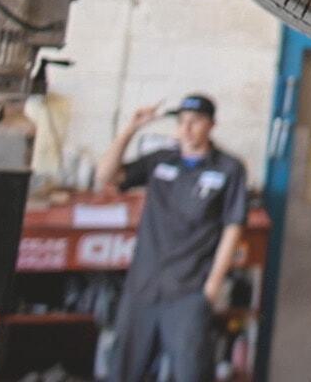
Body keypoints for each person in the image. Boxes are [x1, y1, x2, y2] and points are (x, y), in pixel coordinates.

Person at [95, 93, 247, 382]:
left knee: (191, 371)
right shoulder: (161, 160)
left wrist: (213, 284)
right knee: (123, 370)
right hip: (143, 286)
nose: (187, 128)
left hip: (189, 289)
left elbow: (233, 226)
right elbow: (106, 176)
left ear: (211, 125)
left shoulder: (228, 168)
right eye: (182, 122)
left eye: (195, 121)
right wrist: (131, 128)